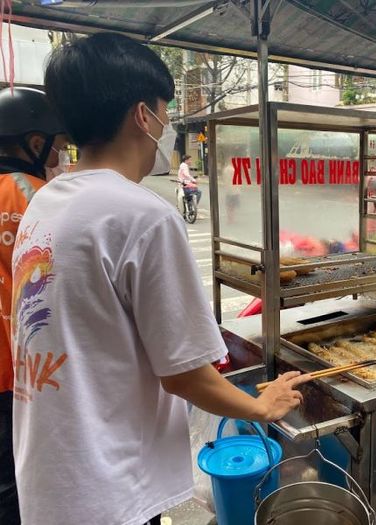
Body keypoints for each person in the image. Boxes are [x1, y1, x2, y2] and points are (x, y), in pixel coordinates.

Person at [11, 32, 310, 525]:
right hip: (106, 488)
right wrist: (263, 405)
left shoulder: (49, 200)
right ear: (142, 116)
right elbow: (184, 374)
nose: (168, 126)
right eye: (165, 111)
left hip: (52, 477)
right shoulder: (139, 214)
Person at [0, 86, 68, 525]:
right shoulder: (39, 197)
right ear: (35, 142)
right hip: (28, 368)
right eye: (58, 146)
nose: (59, 156)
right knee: (26, 478)